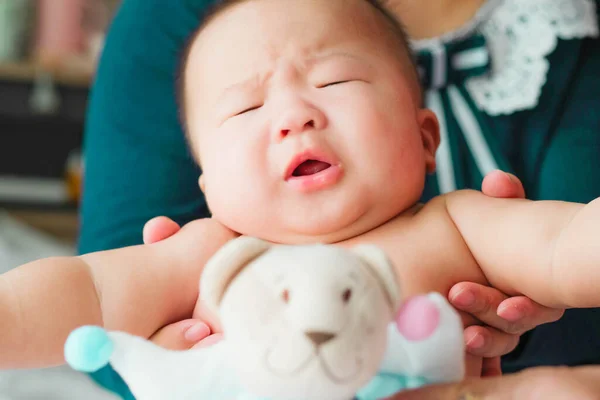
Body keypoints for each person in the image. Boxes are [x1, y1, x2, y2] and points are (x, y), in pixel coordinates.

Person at [1, 1, 599, 399]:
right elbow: (88, 290)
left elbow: (567, 245)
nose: (294, 115)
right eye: (246, 107)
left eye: (334, 80)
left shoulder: (459, 226)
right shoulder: (207, 253)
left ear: (424, 139)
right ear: (208, 186)